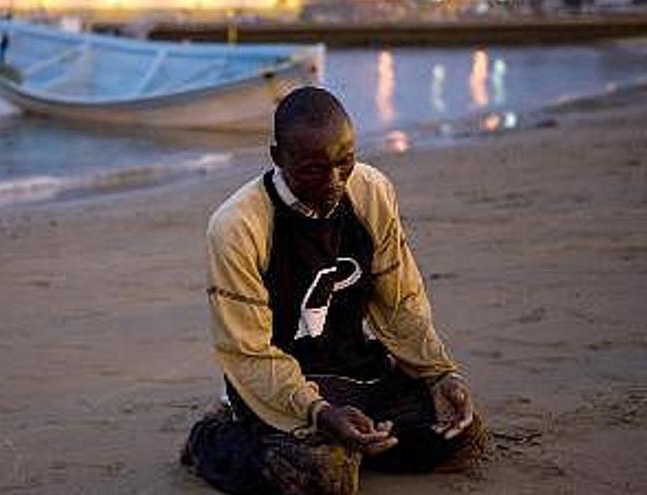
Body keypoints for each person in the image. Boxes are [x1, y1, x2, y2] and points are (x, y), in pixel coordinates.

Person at [181, 86, 487, 495]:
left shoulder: (372, 191)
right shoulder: (237, 227)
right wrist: (321, 415)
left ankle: (353, 445)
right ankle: (211, 436)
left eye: (345, 163)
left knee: (461, 435)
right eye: (313, 169)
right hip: (279, 383)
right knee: (322, 478)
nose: (334, 183)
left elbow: (401, 303)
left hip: (355, 372)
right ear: (277, 158)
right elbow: (248, 353)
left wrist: (438, 373)